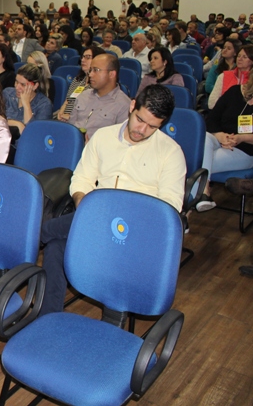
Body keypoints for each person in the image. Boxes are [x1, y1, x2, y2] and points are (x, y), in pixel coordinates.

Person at [40, 85, 185, 316]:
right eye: (140, 120)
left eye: (152, 127)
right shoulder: (103, 137)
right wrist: (82, 202)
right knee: (56, 248)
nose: (142, 130)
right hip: (96, 215)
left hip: (135, 231)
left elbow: (169, 207)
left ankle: (32, 238)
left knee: (50, 232)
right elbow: (82, 179)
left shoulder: (170, 152)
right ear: (132, 106)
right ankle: (49, 318)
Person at [197, 77, 253, 212]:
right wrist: (220, 136)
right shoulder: (234, 92)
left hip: (245, 149)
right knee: (205, 138)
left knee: (197, 163)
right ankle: (204, 191)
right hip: (220, 138)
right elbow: (212, 119)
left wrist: (241, 138)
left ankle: (199, 197)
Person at [69, 53, 131, 139]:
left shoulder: (123, 105)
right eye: (90, 70)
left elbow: (121, 140)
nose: (90, 74)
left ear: (111, 74)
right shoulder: (83, 95)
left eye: (96, 70)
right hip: (74, 142)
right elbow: (70, 127)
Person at [56, 47, 106, 122]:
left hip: (82, 121)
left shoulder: (100, 84)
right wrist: (61, 112)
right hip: (64, 117)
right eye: (82, 57)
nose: (82, 60)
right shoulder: (78, 79)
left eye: (87, 57)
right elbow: (68, 100)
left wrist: (71, 117)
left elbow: (94, 110)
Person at [3, 63, 52, 133]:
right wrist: (18, 124)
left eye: (23, 84)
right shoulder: (7, 93)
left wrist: (26, 105)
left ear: (35, 86)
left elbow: (33, 133)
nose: (17, 87)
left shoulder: (44, 104)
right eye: (16, 82)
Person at [208, 45, 253, 109]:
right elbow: (211, 104)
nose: (240, 59)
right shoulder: (223, 76)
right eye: (239, 56)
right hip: (224, 112)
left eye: (244, 57)